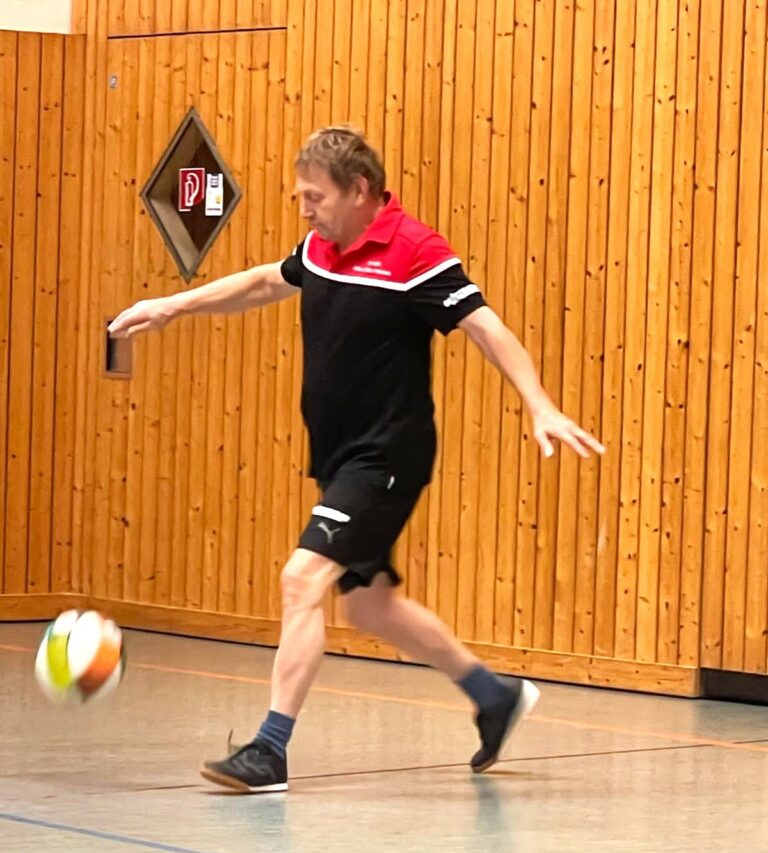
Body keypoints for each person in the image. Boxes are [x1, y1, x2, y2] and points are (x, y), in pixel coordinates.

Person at [109, 126, 605, 793]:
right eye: (300, 196)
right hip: (341, 455)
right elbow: (266, 282)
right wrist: (173, 306)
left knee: (301, 579)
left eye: (315, 197)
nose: (304, 209)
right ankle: (494, 696)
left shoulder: (413, 251)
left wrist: (539, 403)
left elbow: (484, 324)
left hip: (387, 453)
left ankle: (269, 751)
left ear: (360, 190)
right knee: (370, 607)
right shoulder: (323, 246)